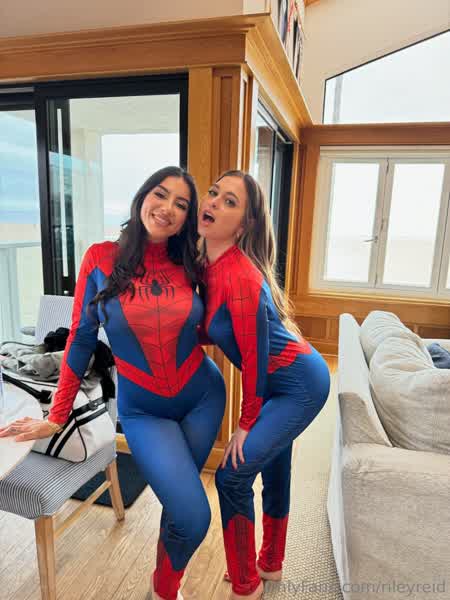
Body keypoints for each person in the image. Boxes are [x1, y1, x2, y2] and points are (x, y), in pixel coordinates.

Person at [0, 166, 226, 600]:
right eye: (161, 194)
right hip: (144, 412)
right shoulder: (100, 258)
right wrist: (57, 415)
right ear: (143, 196)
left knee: (178, 506)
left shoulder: (192, 263)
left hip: (203, 396)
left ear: (188, 217)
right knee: (195, 516)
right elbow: (81, 340)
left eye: (181, 204)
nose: (168, 208)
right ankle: (164, 585)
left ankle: (164, 585)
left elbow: (210, 325)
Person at [198, 170, 330, 600]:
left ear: (245, 224)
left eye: (230, 201)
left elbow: (253, 358)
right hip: (278, 383)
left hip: (300, 384)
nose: (213, 202)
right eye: (214, 193)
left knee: (231, 476)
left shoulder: (240, 275)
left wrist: (246, 422)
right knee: (274, 468)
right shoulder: (208, 267)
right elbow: (216, 330)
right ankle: (269, 565)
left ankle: (246, 584)